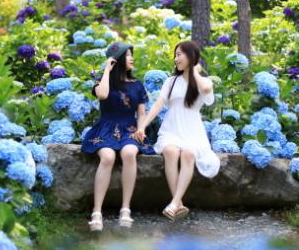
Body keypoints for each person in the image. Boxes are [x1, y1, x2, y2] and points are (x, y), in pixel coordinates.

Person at [134, 40, 219, 220]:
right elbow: (158, 105)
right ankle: (177, 203)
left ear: (190, 56)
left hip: (192, 132)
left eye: (179, 54)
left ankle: (173, 204)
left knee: (188, 154)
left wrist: (194, 70)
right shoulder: (171, 81)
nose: (175, 59)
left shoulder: (203, 82)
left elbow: (205, 88)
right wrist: (142, 126)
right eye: (175, 55)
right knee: (170, 152)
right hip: (171, 129)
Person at [81, 42, 154, 231]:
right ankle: (97, 212)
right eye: (127, 55)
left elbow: (142, 113)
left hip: (130, 129)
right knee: (107, 157)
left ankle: (125, 209)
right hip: (105, 128)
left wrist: (141, 129)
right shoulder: (103, 82)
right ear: (118, 59)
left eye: (131, 54)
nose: (131, 58)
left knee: (129, 153)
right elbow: (102, 95)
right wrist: (107, 69)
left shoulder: (137, 85)